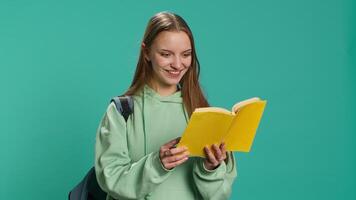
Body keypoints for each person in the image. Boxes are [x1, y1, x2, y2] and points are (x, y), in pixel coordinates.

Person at [95, 11, 237, 200]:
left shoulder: (204, 114)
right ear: (146, 52)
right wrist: (157, 164)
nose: (177, 64)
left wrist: (210, 170)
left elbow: (222, 194)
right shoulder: (122, 111)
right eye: (166, 54)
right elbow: (110, 179)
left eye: (186, 54)